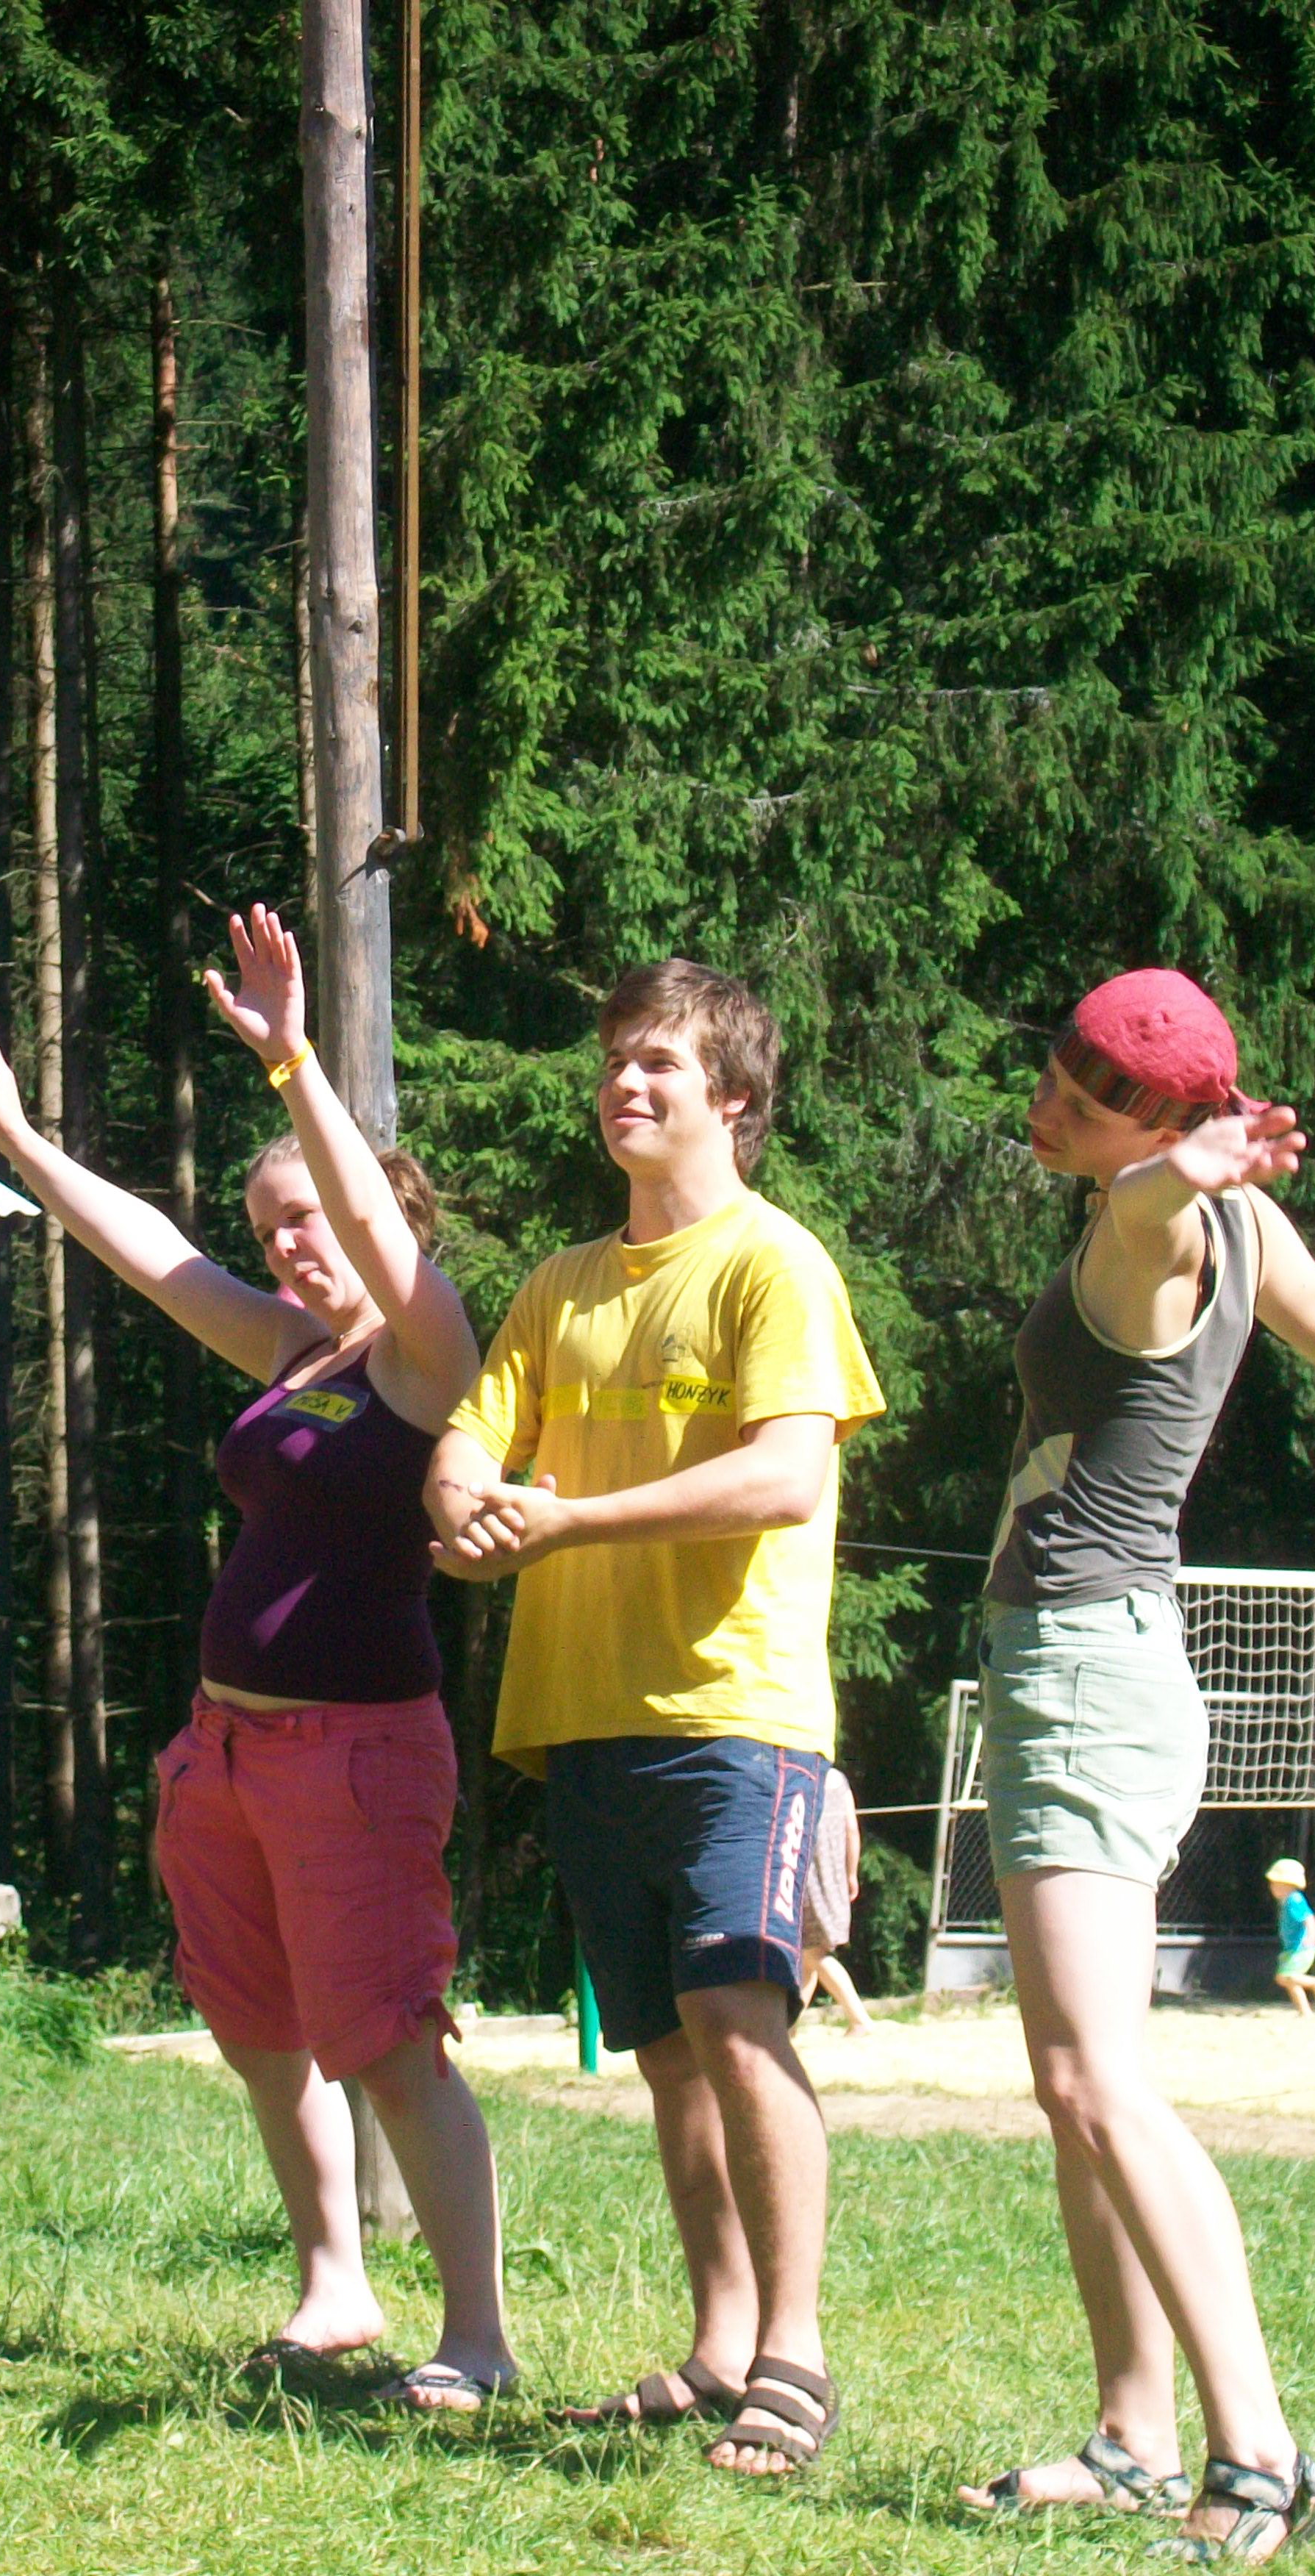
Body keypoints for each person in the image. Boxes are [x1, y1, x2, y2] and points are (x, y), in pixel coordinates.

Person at [0, 905, 515, 2413]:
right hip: (227, 1747)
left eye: (309, 1217)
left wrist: (292, 1064)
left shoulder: (425, 1356)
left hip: (356, 1749)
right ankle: (335, 2287)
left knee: (388, 2039)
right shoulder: (288, 1351)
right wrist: (24, 1144)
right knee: (263, 2030)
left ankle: (475, 2334)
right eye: (270, 1224)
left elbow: (383, 1247)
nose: (285, 1243)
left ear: (375, 1215)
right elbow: (154, 1258)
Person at [424, 958, 884, 2476]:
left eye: (660, 1064)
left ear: (732, 1100)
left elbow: (785, 1476)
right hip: (584, 1713)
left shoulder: (773, 1263)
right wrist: (466, 1504)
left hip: (734, 1711)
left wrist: (560, 1520)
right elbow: (470, 1441)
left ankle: (793, 2353)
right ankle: (716, 2345)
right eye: (616, 1058)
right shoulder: (556, 1286)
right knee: (670, 2052)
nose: (624, 1082)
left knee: (740, 2022)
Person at [954, 966, 1315, 2562]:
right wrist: (1173, 1167)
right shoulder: (1239, 1221)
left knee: (1094, 2081)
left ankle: (1255, 2454)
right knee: (1075, 2082)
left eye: (1089, 1098)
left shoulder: (1170, 1228)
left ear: (1168, 1131)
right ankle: (1131, 2433)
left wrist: (1165, 1177)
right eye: (1055, 1069)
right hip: (1082, 1662)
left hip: (1085, 1671)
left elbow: (1144, 1226)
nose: (1049, 1103)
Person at [798, 1768, 875, 2036]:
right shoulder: (839, 1780)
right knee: (807, 1957)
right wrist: (851, 1874)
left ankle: (859, 2019)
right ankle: (789, 2027)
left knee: (812, 1953)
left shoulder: (800, 1777)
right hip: (834, 1877)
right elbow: (852, 1830)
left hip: (807, 1878)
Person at [1266, 1858, 1315, 2016]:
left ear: (1287, 1884)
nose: (1271, 1887)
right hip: (1293, 1947)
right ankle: (1305, 2012)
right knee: (1291, 1981)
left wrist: (1312, 1935)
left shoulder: (1294, 1900)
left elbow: (1309, 1918)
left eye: (1275, 1883)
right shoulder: (1288, 1901)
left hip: (1302, 1947)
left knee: (1284, 1977)